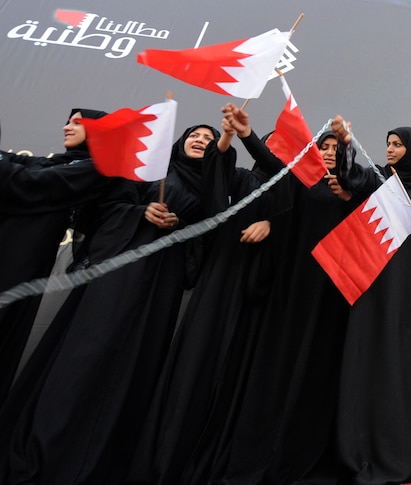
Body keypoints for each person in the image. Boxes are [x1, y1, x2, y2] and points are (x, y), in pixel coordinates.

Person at [0, 121, 223, 484]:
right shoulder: (149, 170)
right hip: (119, 272)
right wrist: (141, 213)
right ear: (181, 141)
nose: (200, 141)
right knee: (86, 355)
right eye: (195, 135)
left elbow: (209, 236)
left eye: (208, 139)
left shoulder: (213, 186)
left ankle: (100, 459)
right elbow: (104, 210)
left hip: (161, 286)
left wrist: (180, 223)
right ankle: (48, 449)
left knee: (134, 363)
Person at [175, 108, 361, 485]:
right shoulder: (298, 181)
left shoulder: (353, 188)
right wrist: (245, 135)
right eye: (321, 146)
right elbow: (272, 165)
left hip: (330, 298)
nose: (327, 152)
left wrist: (348, 144)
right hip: (287, 293)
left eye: (333, 148)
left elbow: (370, 188)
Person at [126, 105, 287, 484]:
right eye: (272, 143)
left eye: (287, 146)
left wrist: (273, 224)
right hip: (222, 278)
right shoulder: (244, 178)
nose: (278, 151)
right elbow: (215, 184)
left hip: (265, 292)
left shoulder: (295, 185)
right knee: (198, 360)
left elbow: (300, 218)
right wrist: (228, 138)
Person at [328, 117, 411, 484]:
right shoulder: (381, 179)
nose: (390, 149)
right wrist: (347, 142)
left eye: (397, 144)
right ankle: (371, 447)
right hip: (380, 286)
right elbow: (352, 178)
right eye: (388, 144)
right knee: (379, 355)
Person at [0, 108, 110, 406]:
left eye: (77, 123)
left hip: (18, 264)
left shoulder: (95, 168)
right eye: (67, 121)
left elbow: (27, 184)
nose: (67, 127)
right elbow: (21, 163)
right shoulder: (55, 162)